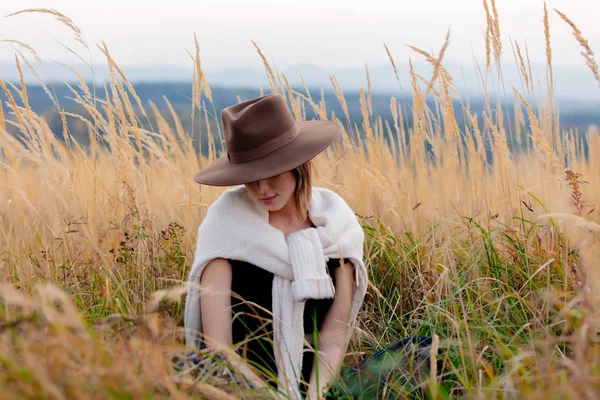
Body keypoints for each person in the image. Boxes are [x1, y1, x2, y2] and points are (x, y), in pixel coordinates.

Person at [183, 93, 368, 399]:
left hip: (319, 389)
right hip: (242, 389)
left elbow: (334, 335)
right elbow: (219, 349)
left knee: (422, 352)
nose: (262, 188)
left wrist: (316, 395)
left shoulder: (337, 229)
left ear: (298, 165)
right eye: (251, 177)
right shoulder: (226, 230)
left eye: (273, 172)